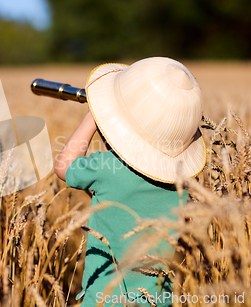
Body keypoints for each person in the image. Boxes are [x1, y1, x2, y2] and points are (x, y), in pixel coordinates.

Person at [54, 57, 206, 307]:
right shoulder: (181, 180)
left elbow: (64, 166)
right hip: (158, 299)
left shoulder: (106, 167)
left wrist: (93, 117)